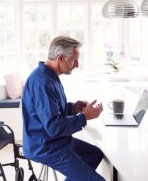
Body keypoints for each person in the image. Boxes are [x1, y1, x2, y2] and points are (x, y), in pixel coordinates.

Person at [22, 36, 105, 181]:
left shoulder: (50, 76)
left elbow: (49, 112)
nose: (77, 64)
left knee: (94, 154)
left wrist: (72, 108)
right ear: (60, 58)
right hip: (46, 146)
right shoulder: (43, 82)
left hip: (56, 140)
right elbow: (54, 128)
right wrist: (85, 117)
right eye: (74, 60)